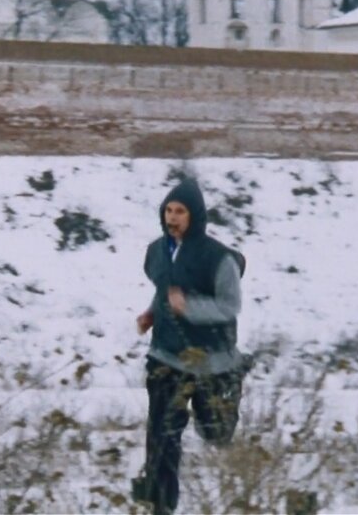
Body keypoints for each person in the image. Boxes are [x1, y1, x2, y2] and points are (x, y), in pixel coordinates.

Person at [132, 177, 247, 515]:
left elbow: (230, 306)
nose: (173, 217)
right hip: (165, 356)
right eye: (168, 210)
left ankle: (234, 387)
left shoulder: (219, 259)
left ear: (194, 215)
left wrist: (190, 308)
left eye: (180, 211)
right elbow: (164, 287)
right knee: (162, 437)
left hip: (212, 361)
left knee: (215, 433)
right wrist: (152, 314)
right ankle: (160, 503)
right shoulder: (156, 252)